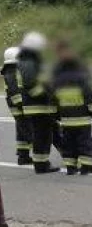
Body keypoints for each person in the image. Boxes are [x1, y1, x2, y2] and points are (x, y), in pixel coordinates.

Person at [52, 40, 92, 175]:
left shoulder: (58, 79)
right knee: (85, 143)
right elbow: (90, 96)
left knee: (68, 144)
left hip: (66, 120)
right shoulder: (82, 77)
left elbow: (54, 99)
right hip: (82, 119)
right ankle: (87, 167)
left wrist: (56, 115)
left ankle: (70, 167)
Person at [17, 32, 59, 173]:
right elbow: (31, 84)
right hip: (38, 106)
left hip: (40, 105)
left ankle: (41, 163)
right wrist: (46, 95)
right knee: (42, 136)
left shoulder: (30, 60)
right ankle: (41, 165)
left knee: (44, 135)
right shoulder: (28, 62)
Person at [2, 46, 32, 165]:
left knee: (21, 128)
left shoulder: (10, 69)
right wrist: (21, 103)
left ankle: (23, 156)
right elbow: (14, 91)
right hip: (18, 105)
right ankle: (38, 156)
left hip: (16, 104)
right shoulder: (11, 70)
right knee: (29, 130)